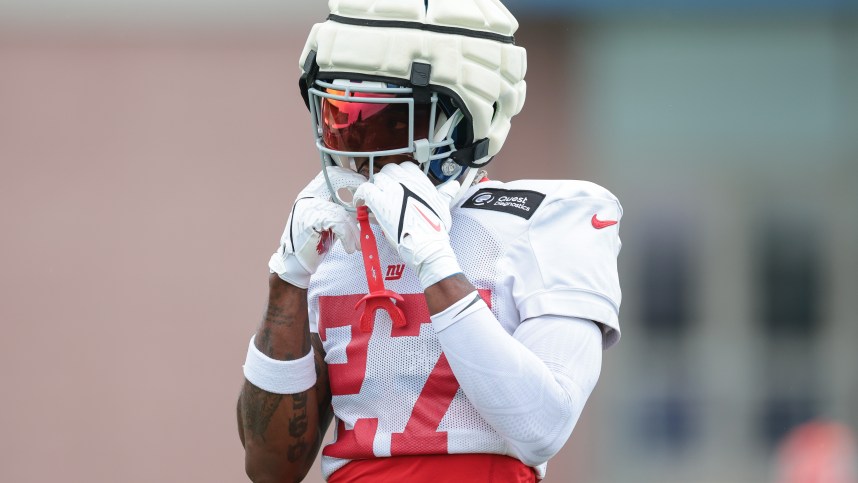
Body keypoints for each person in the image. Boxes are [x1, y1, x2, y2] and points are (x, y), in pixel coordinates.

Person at [236, 1, 623, 481]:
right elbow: (271, 469)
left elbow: (541, 425)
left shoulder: (549, 218)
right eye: (339, 118)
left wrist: (435, 261)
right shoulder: (340, 238)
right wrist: (287, 278)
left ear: (462, 122)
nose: (354, 149)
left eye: (380, 121)